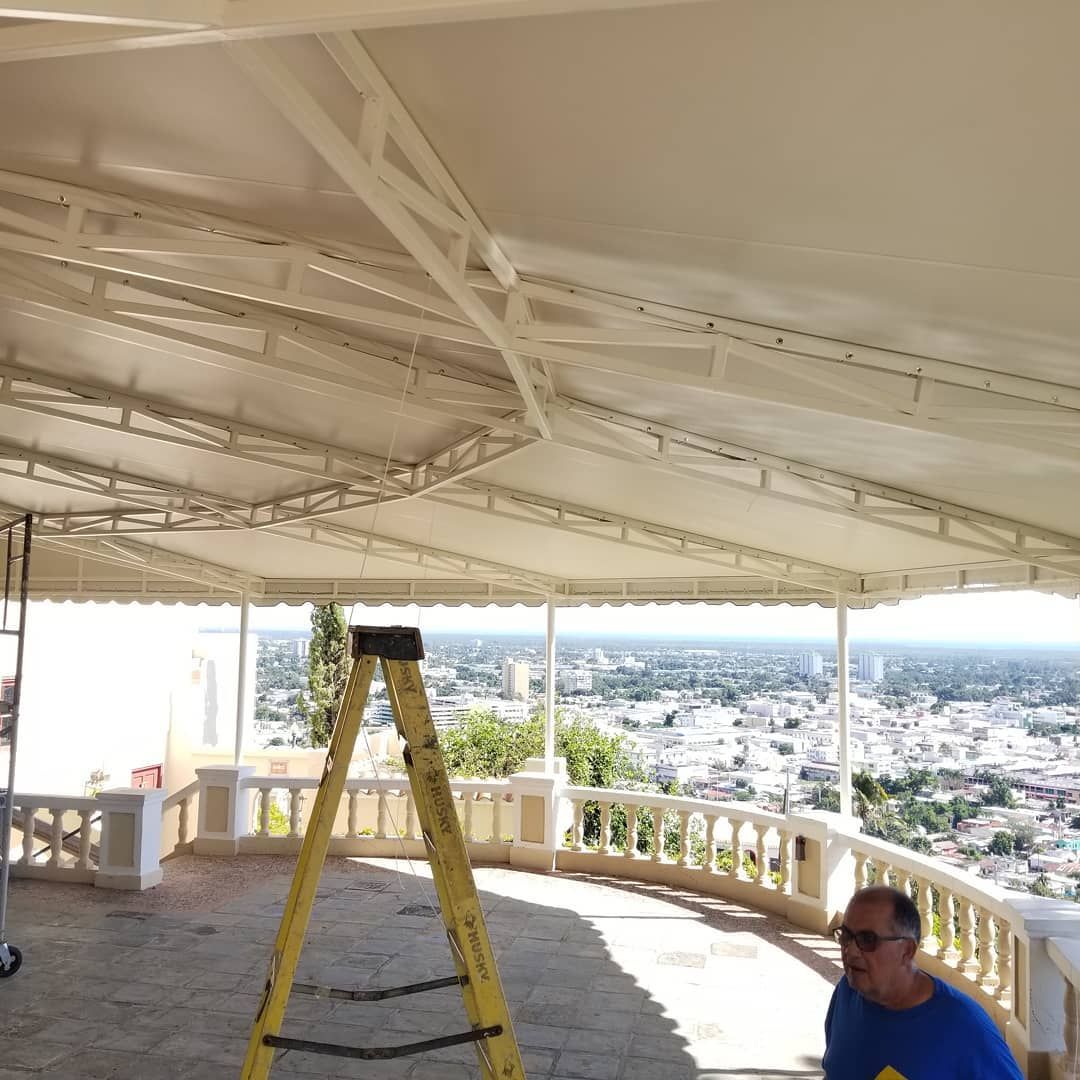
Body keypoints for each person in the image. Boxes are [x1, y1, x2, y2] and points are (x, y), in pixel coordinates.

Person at [823, 885, 1023, 1079]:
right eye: (846, 936)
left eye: (867, 940)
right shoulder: (847, 993)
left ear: (907, 950)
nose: (850, 950)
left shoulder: (963, 1026)